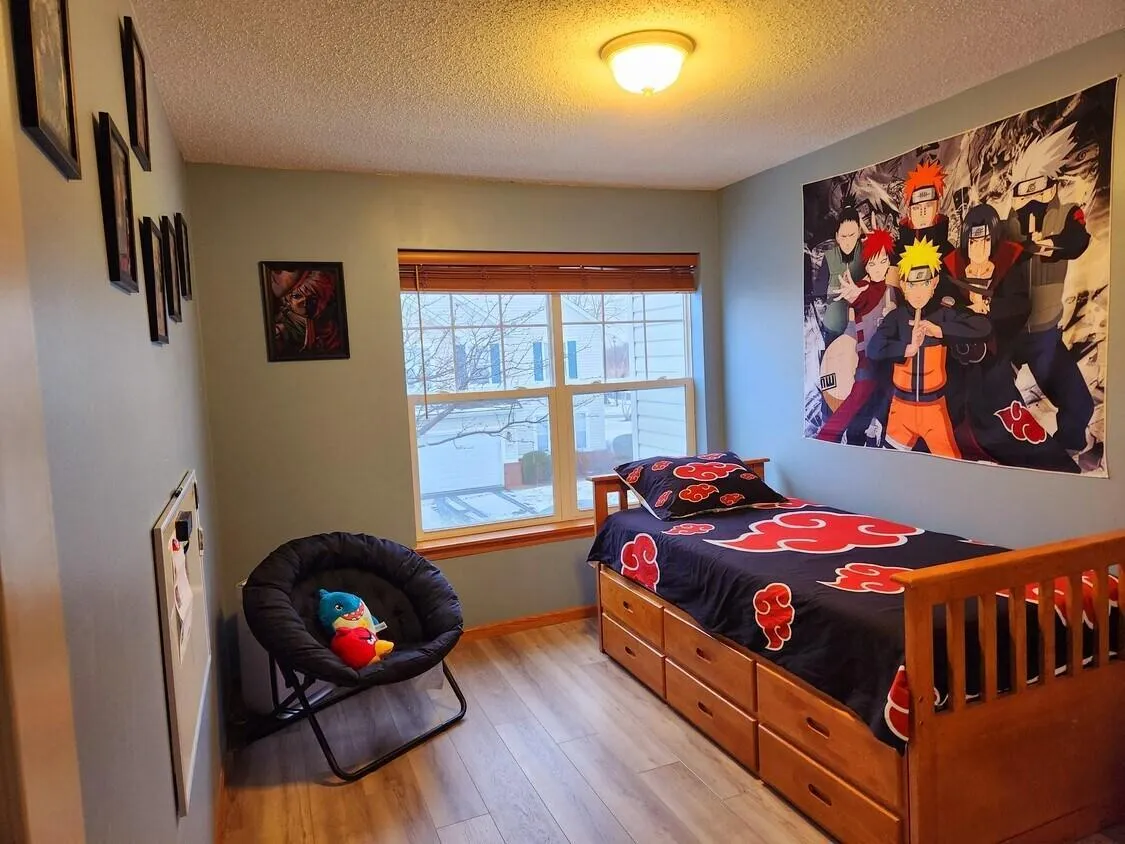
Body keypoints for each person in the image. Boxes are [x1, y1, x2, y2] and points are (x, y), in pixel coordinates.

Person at [1001, 124, 1093, 452]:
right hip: (1007, 334)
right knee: (990, 398)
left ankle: (1066, 455)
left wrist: (1048, 245)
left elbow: (1077, 239)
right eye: (1023, 189)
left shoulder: (1067, 214)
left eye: (1036, 185)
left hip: (1045, 336)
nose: (1029, 196)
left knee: (1079, 405)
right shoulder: (1004, 225)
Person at [867, 238, 990, 458]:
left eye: (923, 283)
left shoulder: (943, 314)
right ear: (903, 285)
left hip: (934, 409)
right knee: (891, 468)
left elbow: (983, 326)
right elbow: (874, 349)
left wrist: (940, 330)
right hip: (900, 409)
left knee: (950, 467)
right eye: (911, 284)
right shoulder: (896, 318)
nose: (917, 292)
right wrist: (907, 349)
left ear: (934, 283)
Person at [815, 228, 894, 444]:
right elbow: (861, 303)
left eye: (883, 261)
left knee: (884, 413)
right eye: (872, 263)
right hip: (866, 361)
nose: (878, 268)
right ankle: (827, 441)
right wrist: (857, 299)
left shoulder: (892, 290)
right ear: (866, 264)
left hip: (890, 364)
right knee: (853, 408)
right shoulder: (860, 289)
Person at [812, 205, 864, 342]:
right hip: (834, 328)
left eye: (852, 235)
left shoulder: (868, 253)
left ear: (859, 232)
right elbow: (819, 291)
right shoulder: (829, 257)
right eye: (843, 236)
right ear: (837, 236)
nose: (847, 242)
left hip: (863, 327)